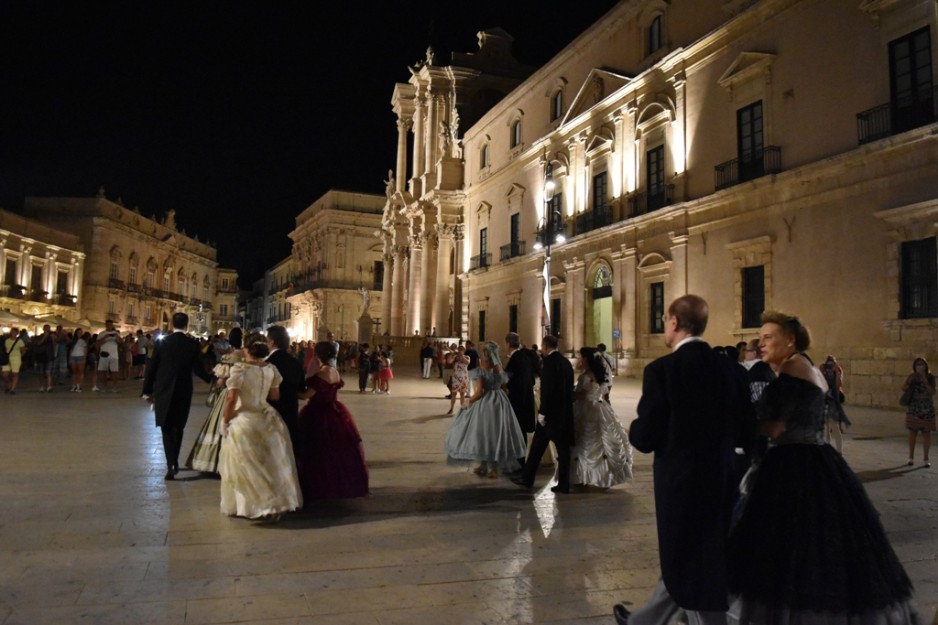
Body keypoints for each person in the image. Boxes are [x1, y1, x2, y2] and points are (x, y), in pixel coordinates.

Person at [726, 311, 918, 625]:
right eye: (760, 337)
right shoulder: (807, 365)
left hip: (793, 464)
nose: (761, 343)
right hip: (818, 456)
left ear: (789, 340)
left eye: (768, 337)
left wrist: (735, 425)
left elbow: (775, 427)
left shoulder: (791, 370)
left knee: (788, 549)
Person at [613, 294, 753, 625]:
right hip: (723, 478)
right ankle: (645, 621)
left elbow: (646, 438)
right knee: (704, 557)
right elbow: (747, 431)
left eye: (665, 320)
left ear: (675, 322)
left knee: (686, 562)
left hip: (680, 484)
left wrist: (633, 428)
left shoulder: (662, 370)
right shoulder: (732, 370)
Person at [219, 335, 302, 521]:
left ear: (247, 349)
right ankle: (274, 503)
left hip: (245, 416)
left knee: (245, 464)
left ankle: (251, 505)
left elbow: (231, 399)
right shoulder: (271, 370)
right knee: (270, 463)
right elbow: (275, 396)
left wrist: (225, 421)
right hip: (266, 417)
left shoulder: (240, 370)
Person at [142, 313, 214, 480]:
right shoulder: (193, 343)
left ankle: (170, 464)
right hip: (184, 389)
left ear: (172, 324)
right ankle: (174, 460)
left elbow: (152, 368)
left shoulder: (162, 343)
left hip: (163, 389)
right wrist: (212, 379)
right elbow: (198, 369)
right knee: (179, 426)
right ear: (186, 325)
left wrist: (147, 391)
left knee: (166, 427)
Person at [296, 341, 369, 501]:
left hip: (317, 412)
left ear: (317, 356)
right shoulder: (334, 371)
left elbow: (306, 395)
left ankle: (321, 485)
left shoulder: (321, 374)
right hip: (334, 410)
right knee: (337, 450)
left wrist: (292, 391)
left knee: (318, 451)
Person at [444, 341, 527, 478]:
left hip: (486, 402)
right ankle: (487, 466)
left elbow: (480, 391)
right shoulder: (499, 367)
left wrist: (468, 402)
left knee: (483, 434)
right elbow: (505, 387)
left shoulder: (482, 368)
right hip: (499, 401)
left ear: (485, 353)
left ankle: (489, 467)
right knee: (495, 434)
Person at [511, 334, 575, 494]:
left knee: (537, 448)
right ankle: (564, 483)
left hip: (550, 415)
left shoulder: (549, 364)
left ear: (546, 347)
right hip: (564, 414)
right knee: (563, 451)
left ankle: (527, 480)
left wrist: (543, 413)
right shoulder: (566, 362)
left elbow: (547, 391)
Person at [570, 347, 632, 488]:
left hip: (586, 408)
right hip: (600, 407)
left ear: (585, 359)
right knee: (600, 439)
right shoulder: (597, 374)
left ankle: (584, 474)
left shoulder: (585, 376)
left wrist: (570, 394)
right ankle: (602, 475)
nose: (579, 360)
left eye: (581, 357)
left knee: (584, 441)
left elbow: (583, 395)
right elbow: (601, 393)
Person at [186, 349, 241, 475]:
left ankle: (215, 461)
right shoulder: (250, 358)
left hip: (227, 395)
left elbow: (221, 382)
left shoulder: (229, 358)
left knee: (219, 426)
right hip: (243, 398)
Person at [265, 325, 307, 450]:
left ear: (272, 342)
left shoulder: (268, 363)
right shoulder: (296, 362)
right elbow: (301, 390)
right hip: (290, 409)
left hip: (271, 410)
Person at [503, 332, 536, 472]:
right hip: (525, 399)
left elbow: (507, 379)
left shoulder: (515, 358)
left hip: (517, 401)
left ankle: (518, 462)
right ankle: (520, 460)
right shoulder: (525, 357)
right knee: (520, 431)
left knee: (516, 431)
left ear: (508, 344)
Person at [902, 356, 934, 468]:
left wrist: (925, 381)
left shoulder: (930, 377)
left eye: (922, 364)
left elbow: (932, 392)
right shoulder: (912, 377)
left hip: (927, 408)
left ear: (925, 366)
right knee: (912, 433)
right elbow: (904, 388)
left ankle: (926, 458)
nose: (920, 366)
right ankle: (911, 457)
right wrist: (909, 380)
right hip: (914, 407)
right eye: (917, 365)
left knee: (926, 433)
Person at [819, 354, 850, 454]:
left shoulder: (838, 370)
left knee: (834, 425)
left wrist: (836, 372)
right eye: (827, 365)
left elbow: (838, 385)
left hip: (835, 399)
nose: (829, 368)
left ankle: (839, 451)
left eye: (831, 365)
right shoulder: (823, 370)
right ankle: (827, 447)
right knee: (826, 425)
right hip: (825, 398)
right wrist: (821, 372)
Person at [95, 319, 121, 392]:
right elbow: (97, 344)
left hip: (114, 356)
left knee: (114, 372)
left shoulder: (116, 333)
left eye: (110, 325)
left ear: (112, 325)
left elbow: (121, 343)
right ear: (105, 325)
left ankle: (115, 387)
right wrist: (105, 337)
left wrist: (117, 337)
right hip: (104, 355)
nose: (109, 326)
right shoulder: (101, 334)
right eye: (108, 325)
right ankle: (104, 387)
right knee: (103, 372)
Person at [2, 328, 27, 394]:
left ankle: (12, 389)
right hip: (7, 358)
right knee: (4, 374)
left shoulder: (20, 341)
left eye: (15, 332)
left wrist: (20, 356)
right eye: (13, 332)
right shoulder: (6, 340)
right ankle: (9, 383)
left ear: (17, 333)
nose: (14, 333)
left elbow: (23, 350)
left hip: (16, 358)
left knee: (14, 374)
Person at [446, 345, 470, 414]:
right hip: (456, 378)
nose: (460, 351)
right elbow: (449, 361)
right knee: (454, 394)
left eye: (462, 350)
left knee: (462, 394)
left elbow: (467, 362)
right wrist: (452, 354)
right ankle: (451, 408)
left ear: (464, 351)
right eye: (459, 349)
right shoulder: (455, 357)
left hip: (463, 378)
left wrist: (461, 355)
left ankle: (462, 409)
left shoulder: (467, 357)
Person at [36, 324, 55, 392]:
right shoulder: (40, 336)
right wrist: (44, 337)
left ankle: (49, 386)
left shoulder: (51, 337)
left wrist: (53, 354)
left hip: (49, 356)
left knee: (48, 372)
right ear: (43, 329)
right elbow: (38, 343)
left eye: (48, 328)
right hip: (41, 356)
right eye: (46, 328)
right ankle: (41, 386)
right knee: (41, 372)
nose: (48, 330)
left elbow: (54, 345)